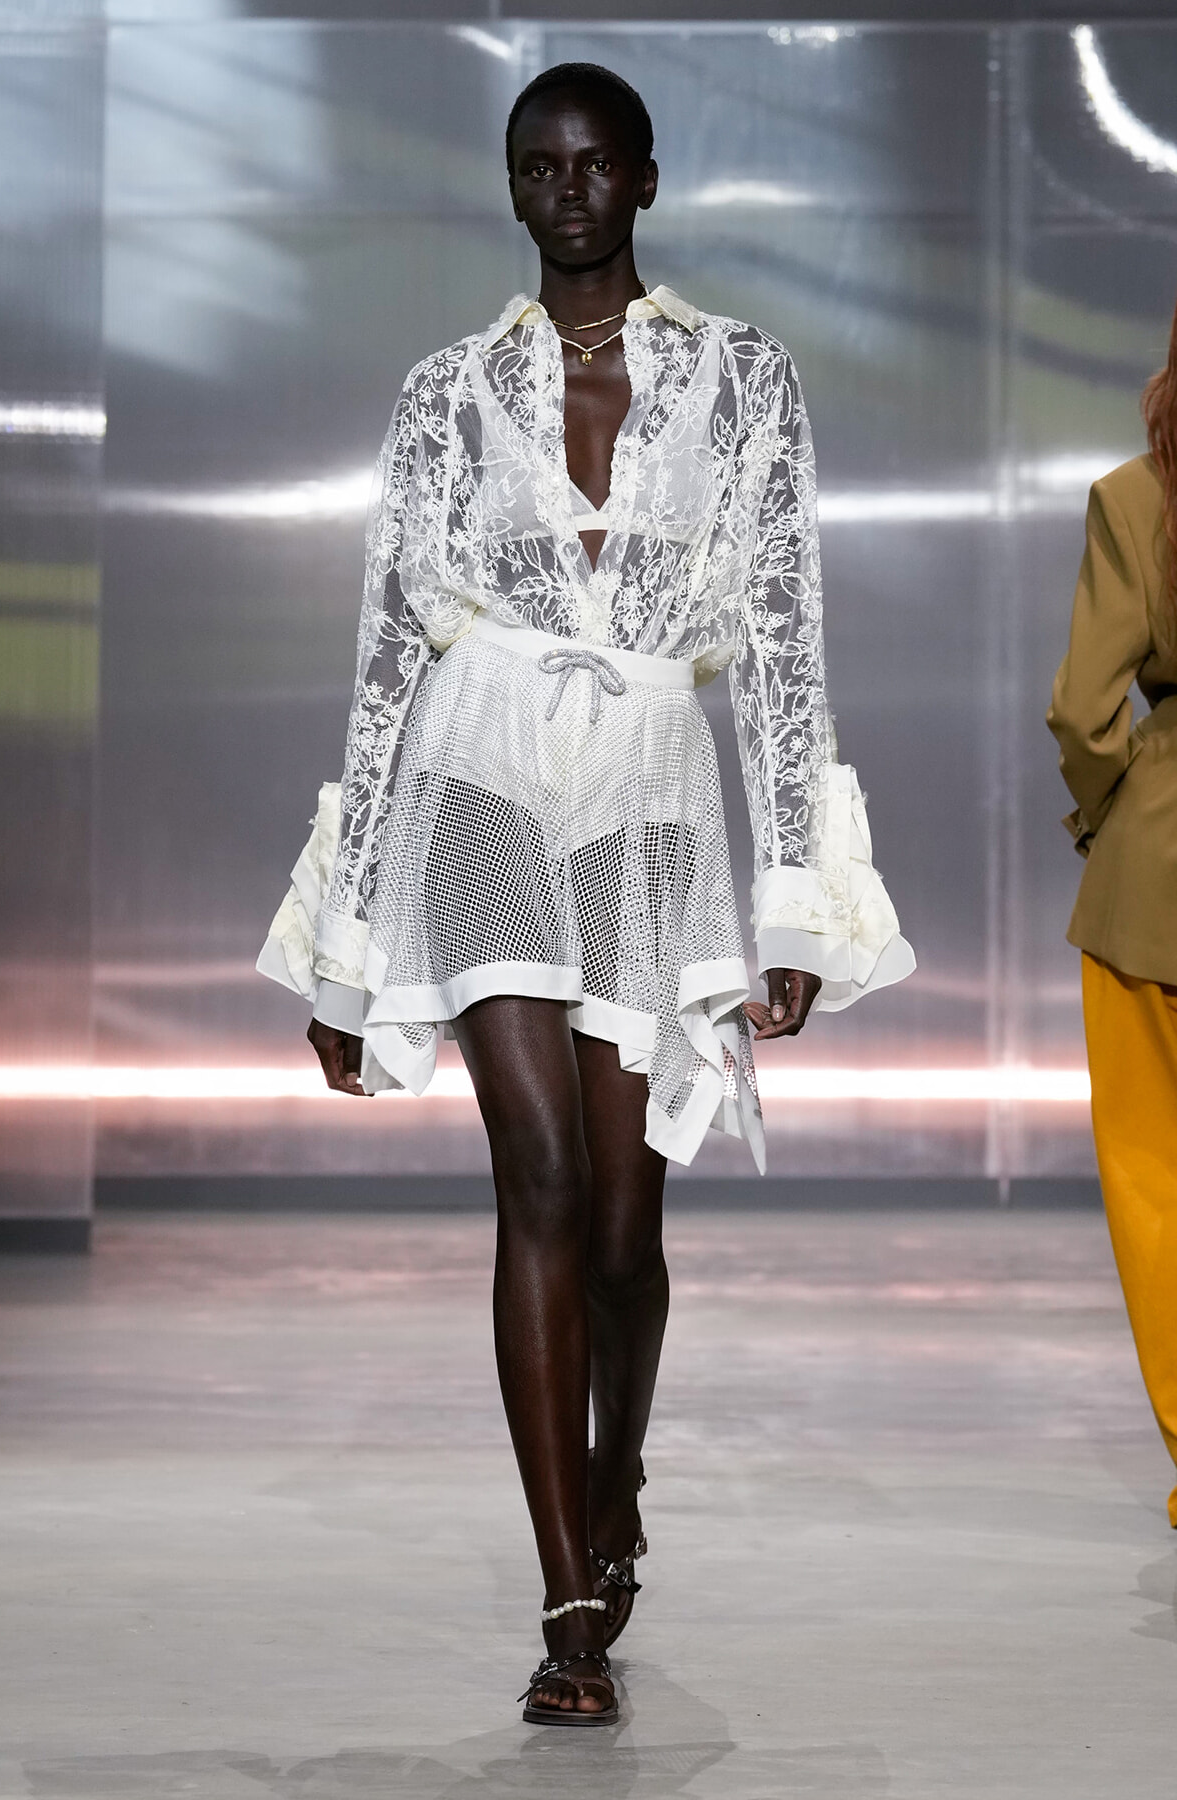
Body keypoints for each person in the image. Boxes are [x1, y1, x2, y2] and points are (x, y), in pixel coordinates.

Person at [259, 63, 914, 1724]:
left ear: (644, 180)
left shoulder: (746, 382)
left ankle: (620, 1471)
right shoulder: (443, 394)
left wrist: (796, 905)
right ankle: (568, 1606)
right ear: (515, 186)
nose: (563, 190)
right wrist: (345, 946)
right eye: (534, 165)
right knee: (539, 1178)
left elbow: (780, 644)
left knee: (628, 1227)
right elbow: (389, 648)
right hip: (479, 778)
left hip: (651, 802)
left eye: (591, 163)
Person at [1048, 297, 1177, 1534]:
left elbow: (1087, 714)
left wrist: (1108, 827)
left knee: (1160, 1196)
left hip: (1158, 894)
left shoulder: (1137, 497)